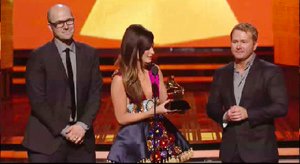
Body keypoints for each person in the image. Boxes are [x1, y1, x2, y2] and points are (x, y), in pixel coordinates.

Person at [22, 4, 103, 163]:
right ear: (50, 27)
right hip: (46, 142)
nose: (66, 26)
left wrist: (82, 125)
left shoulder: (89, 54)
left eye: (69, 21)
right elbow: (38, 102)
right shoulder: (38, 57)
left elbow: (95, 95)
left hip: (81, 142)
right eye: (59, 23)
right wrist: (65, 130)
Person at [107, 24, 193, 163]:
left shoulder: (154, 71)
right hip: (134, 140)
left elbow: (164, 103)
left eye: (152, 47)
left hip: (159, 135)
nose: (152, 52)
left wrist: (175, 105)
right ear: (134, 50)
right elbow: (121, 118)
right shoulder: (120, 79)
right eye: (147, 48)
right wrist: (153, 111)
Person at [206, 23, 288, 163]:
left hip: (260, 152)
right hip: (230, 152)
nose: (238, 46)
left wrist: (248, 113)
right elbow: (211, 106)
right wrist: (225, 115)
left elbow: (280, 107)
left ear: (255, 45)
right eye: (235, 41)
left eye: (244, 42)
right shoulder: (221, 73)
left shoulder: (270, 71)